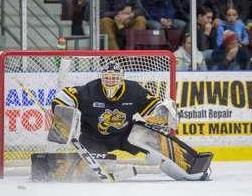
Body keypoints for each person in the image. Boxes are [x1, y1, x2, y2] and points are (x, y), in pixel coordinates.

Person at [51, 61, 213, 181]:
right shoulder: (90, 89)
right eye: (107, 78)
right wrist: (59, 111)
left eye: (114, 78)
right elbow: (65, 96)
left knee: (155, 141)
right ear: (101, 78)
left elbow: (153, 106)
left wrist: (162, 112)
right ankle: (94, 166)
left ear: (121, 79)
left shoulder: (133, 90)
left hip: (125, 136)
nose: (110, 81)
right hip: (93, 137)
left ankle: (189, 169)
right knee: (85, 174)